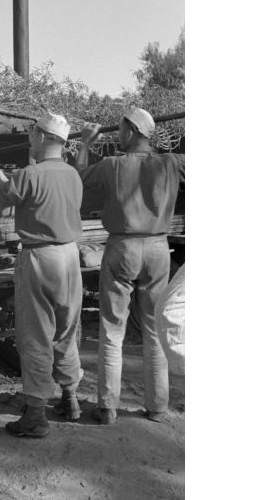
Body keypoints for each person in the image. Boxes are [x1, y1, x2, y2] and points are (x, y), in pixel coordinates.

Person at [0, 112, 84, 438]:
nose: (30, 139)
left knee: (35, 336)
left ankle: (36, 415)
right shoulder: (72, 175)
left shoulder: (29, 175)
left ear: (40, 137)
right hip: (69, 257)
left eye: (32, 134)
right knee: (66, 330)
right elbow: (15, 189)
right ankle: (71, 399)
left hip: (39, 259)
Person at [76, 107, 184, 425]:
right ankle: (157, 407)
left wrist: (84, 144)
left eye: (121, 130)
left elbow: (79, 177)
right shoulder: (172, 163)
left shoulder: (112, 165)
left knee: (112, 328)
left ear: (133, 131)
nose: (118, 135)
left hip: (122, 247)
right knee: (153, 330)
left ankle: (108, 407)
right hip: (158, 249)